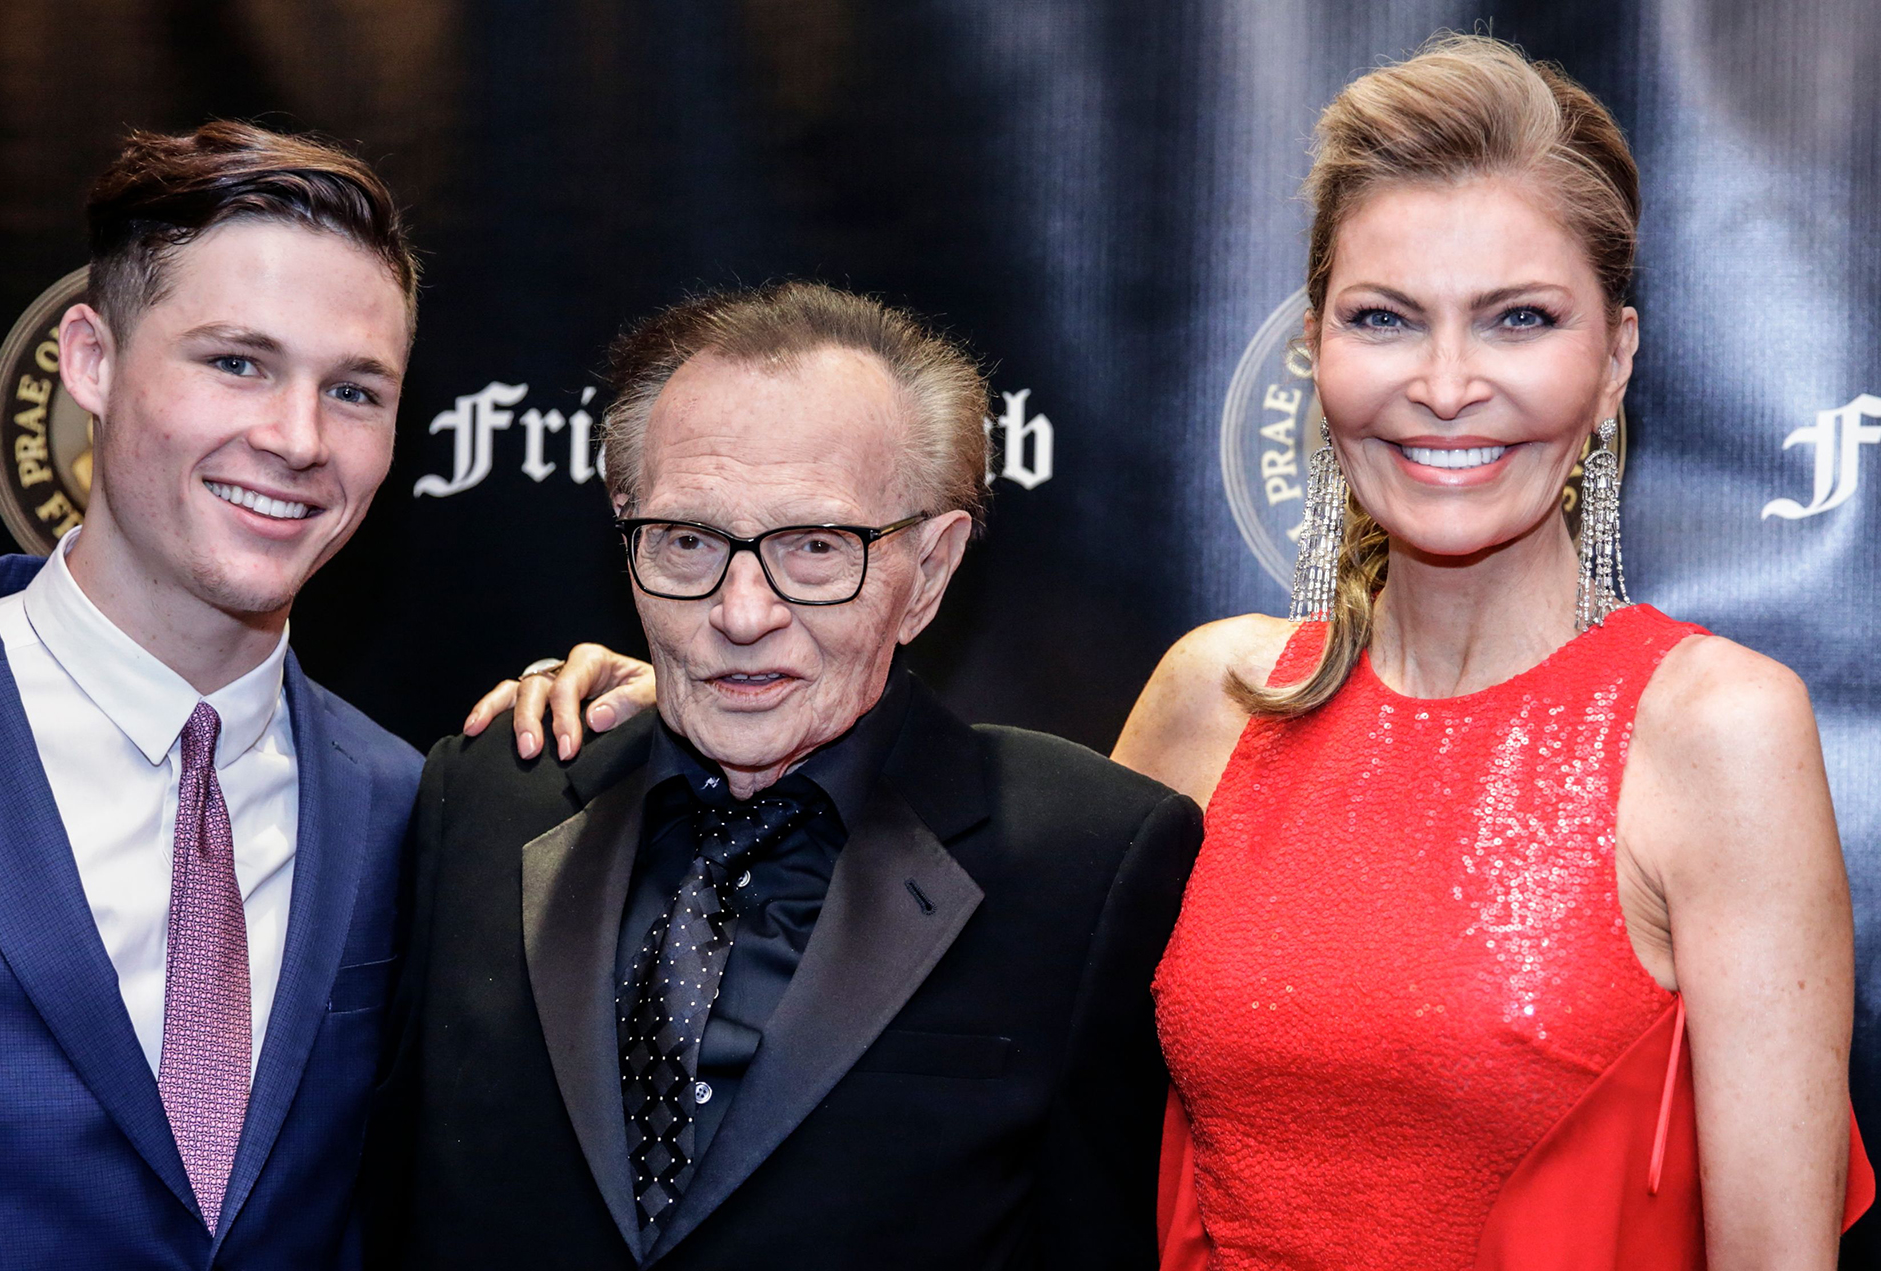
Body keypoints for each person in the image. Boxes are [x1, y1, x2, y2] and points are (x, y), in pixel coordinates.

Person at [1109, 35, 1868, 1269]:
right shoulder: (1214, 696)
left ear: (1612, 359)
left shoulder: (1715, 728)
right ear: (1316, 350)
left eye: (1517, 318)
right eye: (1384, 318)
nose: (1446, 382)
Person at [363, 282, 1203, 1270]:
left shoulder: (1088, 859)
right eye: (688, 541)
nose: (742, 610)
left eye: (815, 547)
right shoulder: (486, 795)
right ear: (625, 531)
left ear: (928, 570)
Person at [0, 122, 424, 1267]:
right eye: (237, 361)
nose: (295, 438)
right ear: (90, 359)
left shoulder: (410, 806)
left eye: (356, 389)